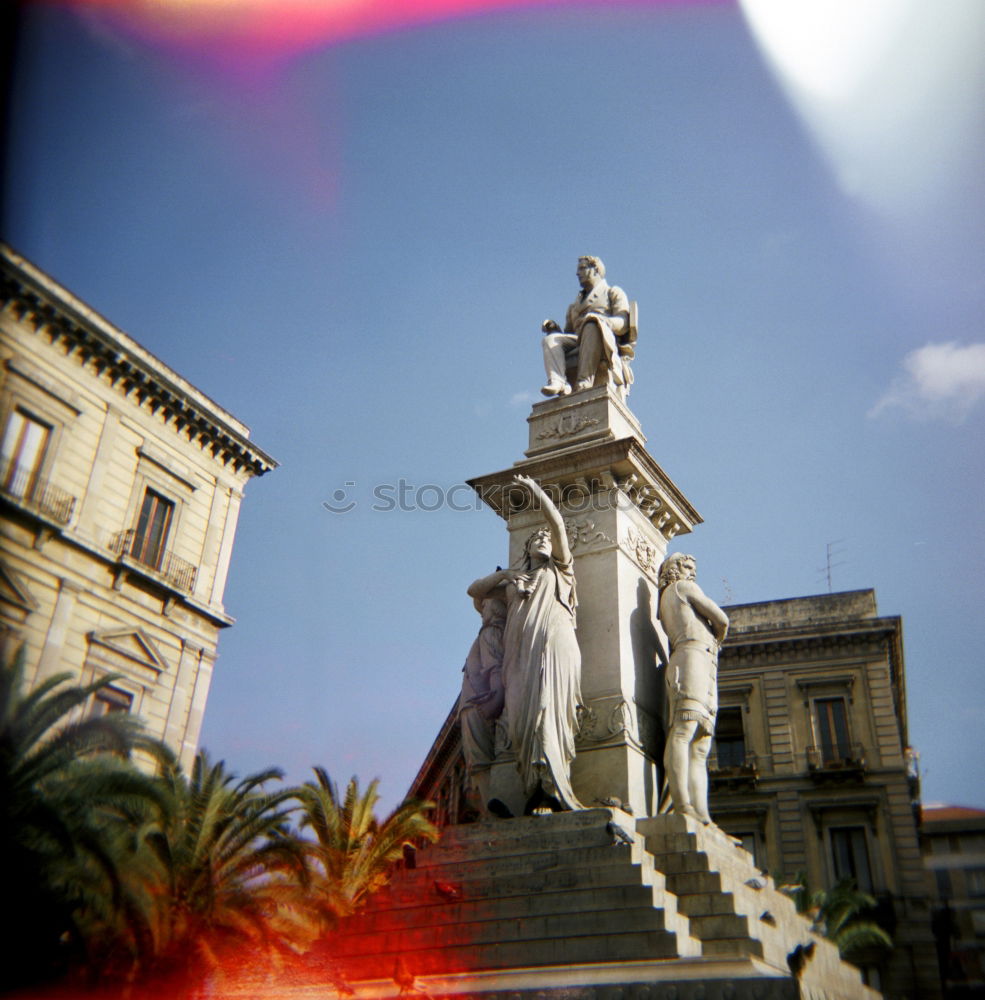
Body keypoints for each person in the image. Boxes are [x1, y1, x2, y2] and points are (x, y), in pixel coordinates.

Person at [467, 474, 583, 813]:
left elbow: (558, 525)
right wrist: (504, 576)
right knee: (523, 720)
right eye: (539, 537)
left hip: (554, 645)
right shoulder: (513, 583)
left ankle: (550, 790)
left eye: (547, 538)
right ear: (527, 547)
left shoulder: (561, 571)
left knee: (548, 711)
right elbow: (474, 591)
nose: (545, 538)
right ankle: (531, 786)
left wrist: (536, 492)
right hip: (519, 657)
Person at [657, 552, 729, 824]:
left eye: (693, 568)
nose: (692, 572)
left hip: (701, 661)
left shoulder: (668, 596)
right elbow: (722, 619)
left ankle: (700, 813)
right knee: (686, 731)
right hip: (693, 658)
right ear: (673, 569)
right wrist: (718, 636)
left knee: (699, 744)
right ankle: (683, 803)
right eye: (687, 566)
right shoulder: (683, 588)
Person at [541, 255, 631, 396]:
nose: (578, 273)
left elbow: (623, 323)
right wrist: (554, 330)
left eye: (582, 268)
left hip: (603, 339)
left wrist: (602, 321)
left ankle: (584, 382)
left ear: (596, 270)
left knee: (591, 324)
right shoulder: (574, 306)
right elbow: (568, 334)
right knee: (550, 339)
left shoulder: (612, 292)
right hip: (579, 340)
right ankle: (558, 381)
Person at [458, 596, 506, 818]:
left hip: (477, 706)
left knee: (479, 761)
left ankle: (493, 812)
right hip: (476, 703)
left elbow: (494, 666)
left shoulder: (490, 633)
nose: (481, 611)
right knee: (478, 761)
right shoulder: (490, 632)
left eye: (485, 606)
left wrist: (496, 700)